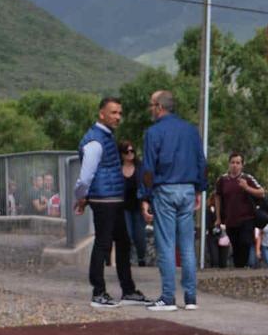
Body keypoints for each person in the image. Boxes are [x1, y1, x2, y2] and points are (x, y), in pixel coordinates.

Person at [71, 96, 146, 307]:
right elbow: (85, 175)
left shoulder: (106, 137)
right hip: (104, 199)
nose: (118, 117)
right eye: (113, 112)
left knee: (122, 242)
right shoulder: (95, 140)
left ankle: (128, 290)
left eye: (120, 113)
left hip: (112, 198)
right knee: (104, 243)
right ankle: (98, 292)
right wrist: (81, 197)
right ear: (101, 114)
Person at [139, 89, 205, 310]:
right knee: (187, 245)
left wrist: (145, 196)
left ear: (159, 107)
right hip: (187, 189)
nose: (150, 109)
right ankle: (191, 297)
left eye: (151, 104)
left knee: (166, 244)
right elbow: (200, 162)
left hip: (164, 189)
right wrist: (199, 190)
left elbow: (148, 168)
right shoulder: (191, 131)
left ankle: (168, 297)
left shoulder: (153, 133)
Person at [214, 151, 266, 269]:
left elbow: (262, 193)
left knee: (245, 243)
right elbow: (217, 197)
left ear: (242, 165)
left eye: (238, 163)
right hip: (230, 220)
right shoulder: (222, 180)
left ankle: (242, 267)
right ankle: (239, 268)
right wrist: (218, 217)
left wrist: (247, 188)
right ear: (229, 164)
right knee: (236, 246)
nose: (235, 165)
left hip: (247, 219)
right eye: (233, 162)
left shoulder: (247, 178)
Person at [120, 141, 149, 267]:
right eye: (127, 151)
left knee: (140, 236)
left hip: (138, 205)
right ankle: (127, 261)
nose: (130, 154)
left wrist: (146, 204)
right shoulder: (117, 168)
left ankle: (141, 258)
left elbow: (147, 185)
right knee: (127, 235)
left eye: (132, 151)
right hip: (124, 207)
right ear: (121, 154)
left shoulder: (140, 167)